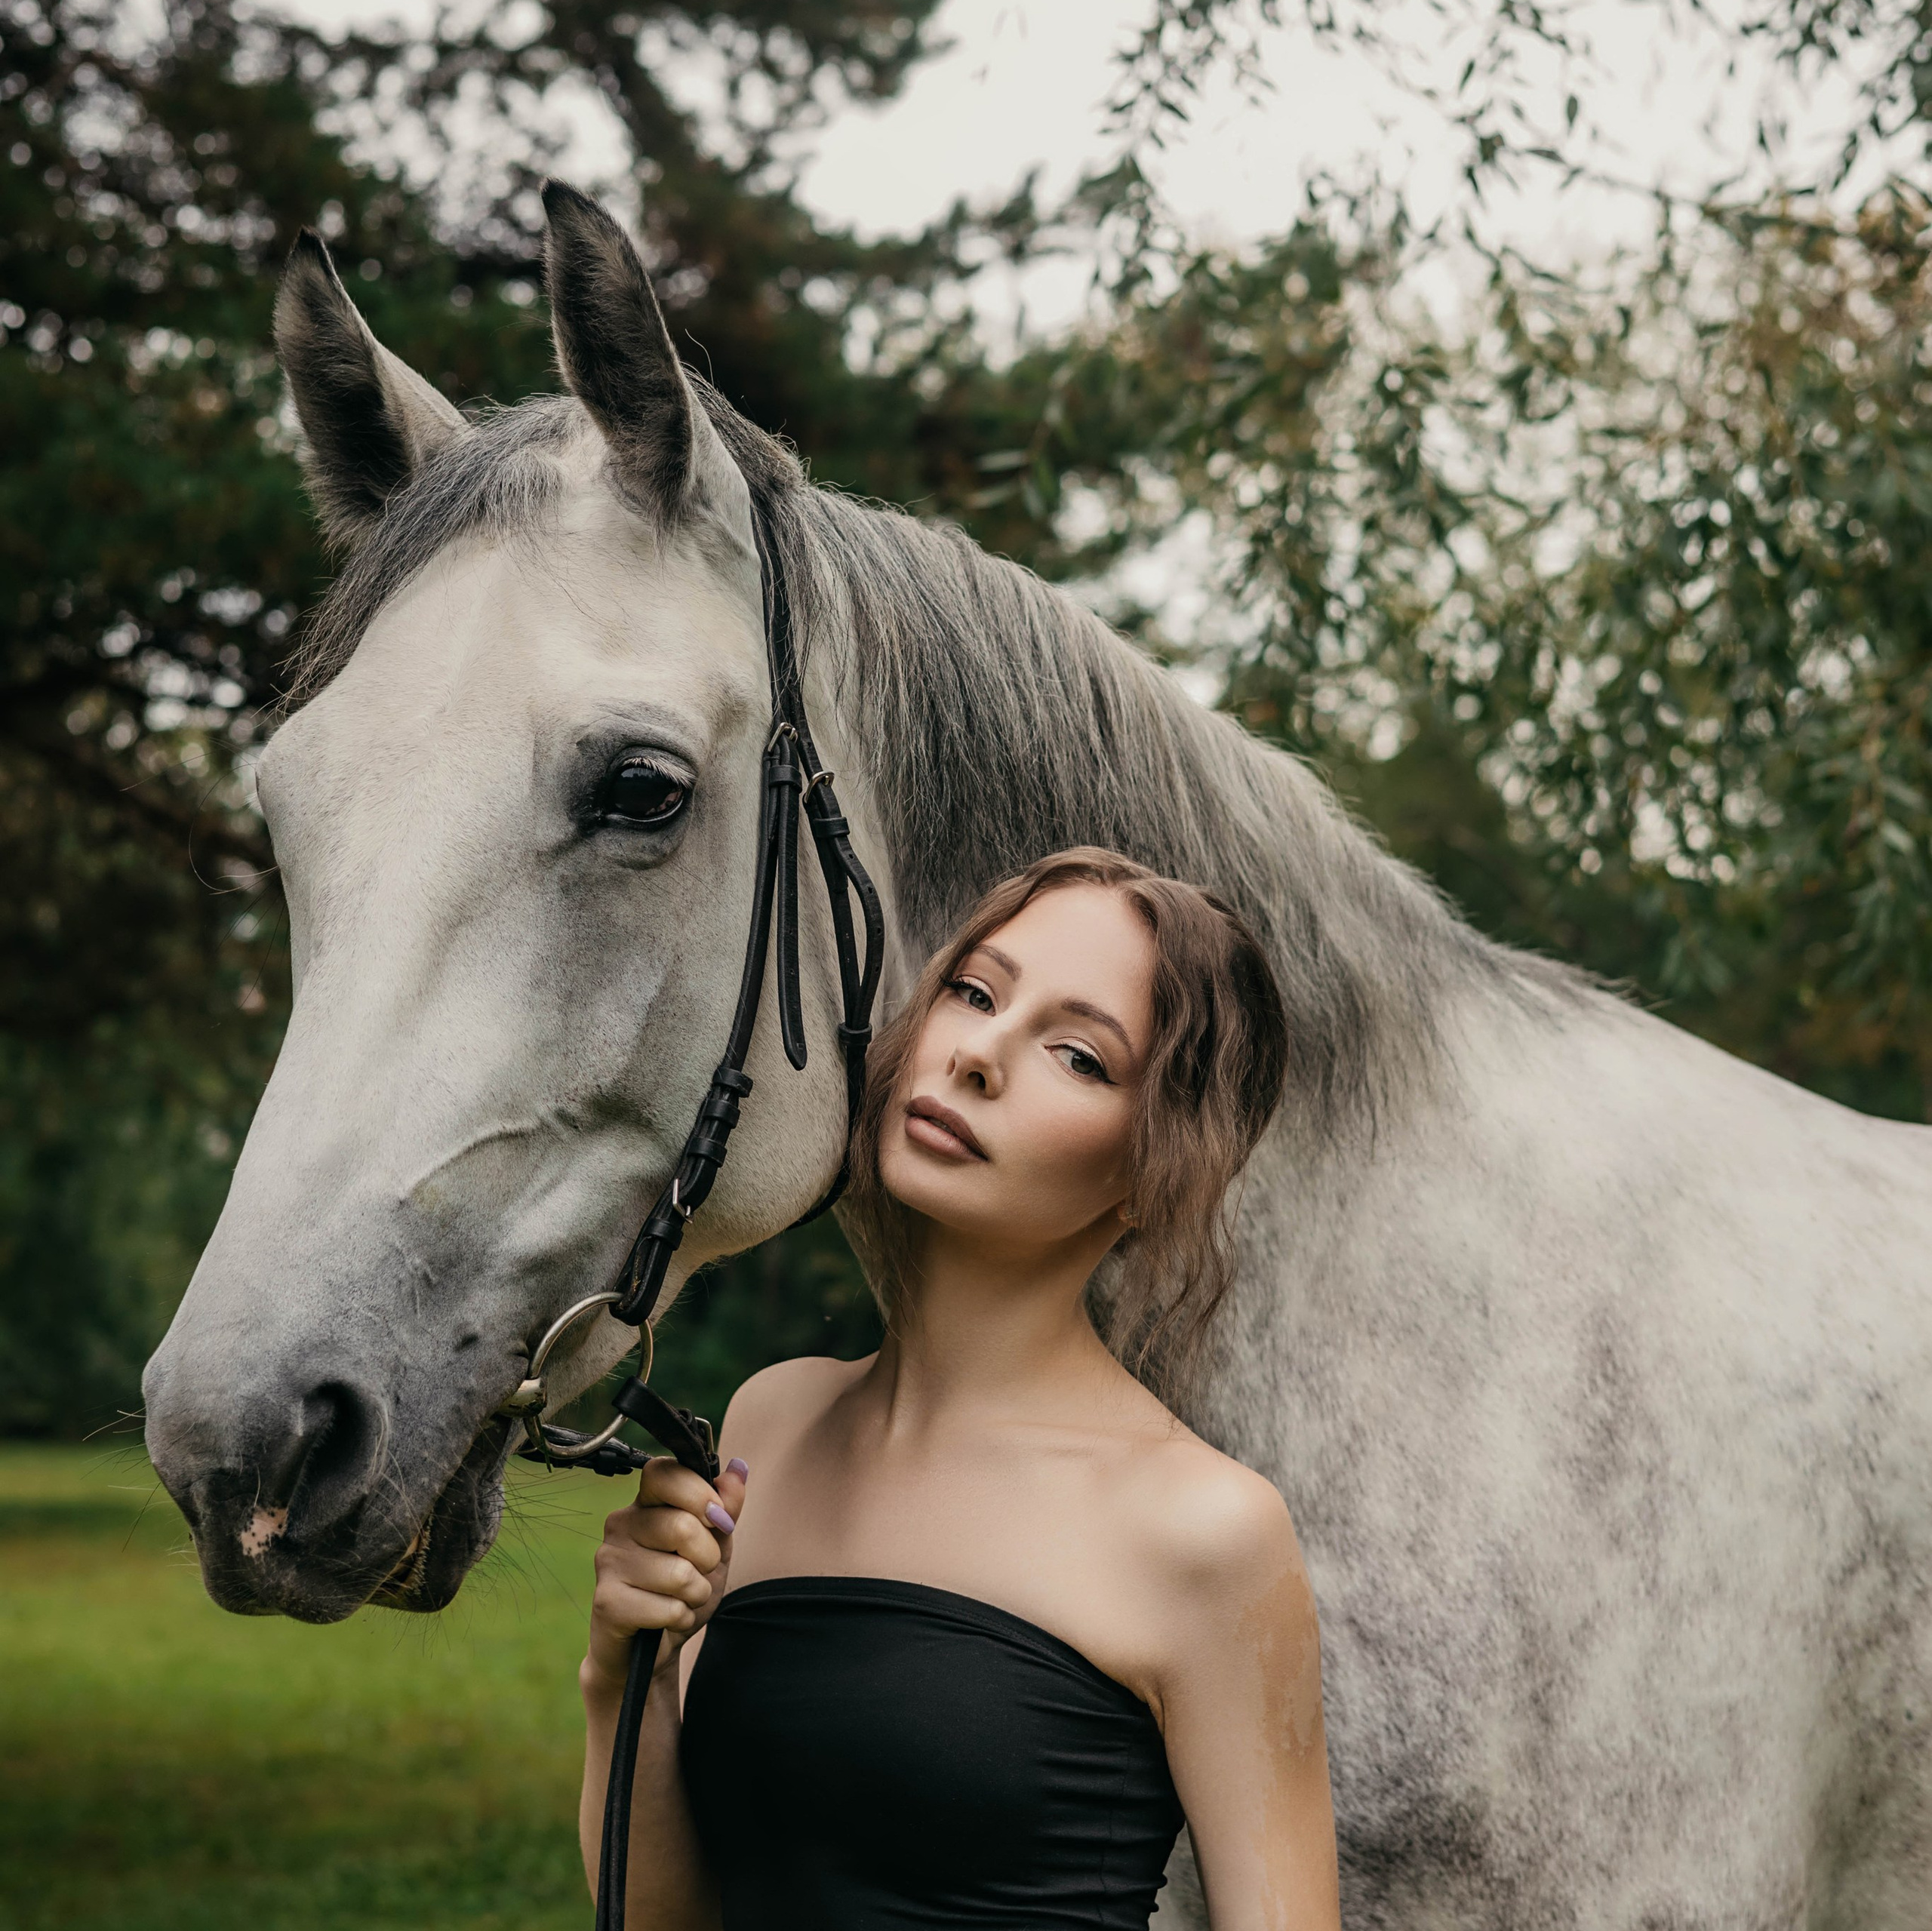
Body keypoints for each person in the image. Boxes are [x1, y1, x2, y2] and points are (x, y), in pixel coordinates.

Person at [578, 847, 1341, 1929]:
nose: (980, 1053)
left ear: (1154, 1170)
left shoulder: (1204, 1530)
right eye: (974, 992)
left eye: (1078, 1055)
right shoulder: (774, 1424)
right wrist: (628, 1679)